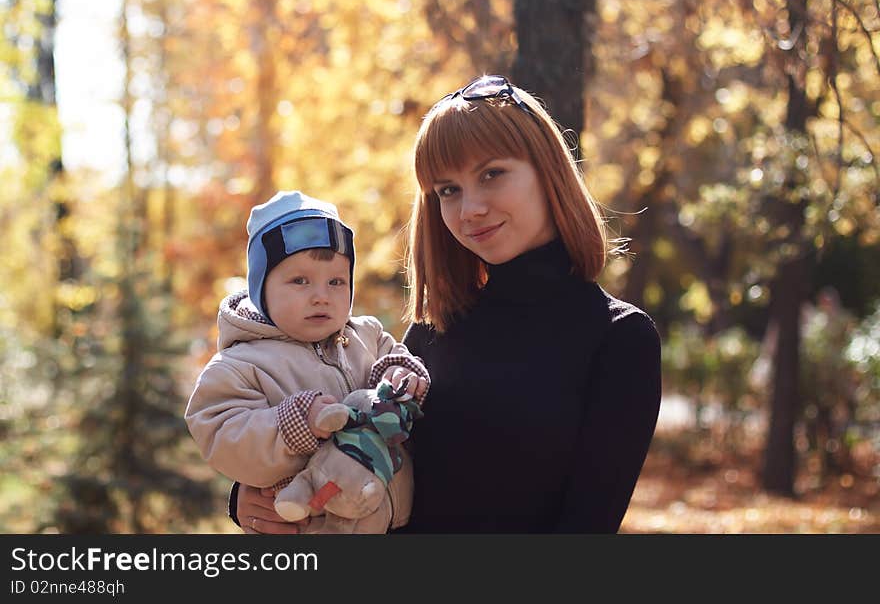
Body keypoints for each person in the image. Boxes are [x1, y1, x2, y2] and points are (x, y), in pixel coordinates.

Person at [237, 74, 661, 533]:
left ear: (548, 171)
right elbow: (351, 447)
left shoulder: (618, 338)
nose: (469, 209)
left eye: (491, 174)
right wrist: (253, 497)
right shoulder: (433, 330)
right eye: (448, 190)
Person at [186, 190, 429, 534]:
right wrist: (295, 423)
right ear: (261, 290)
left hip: (393, 522)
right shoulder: (240, 364)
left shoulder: (368, 336)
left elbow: (402, 361)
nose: (321, 296)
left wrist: (401, 374)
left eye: (336, 281)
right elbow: (222, 434)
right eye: (299, 281)